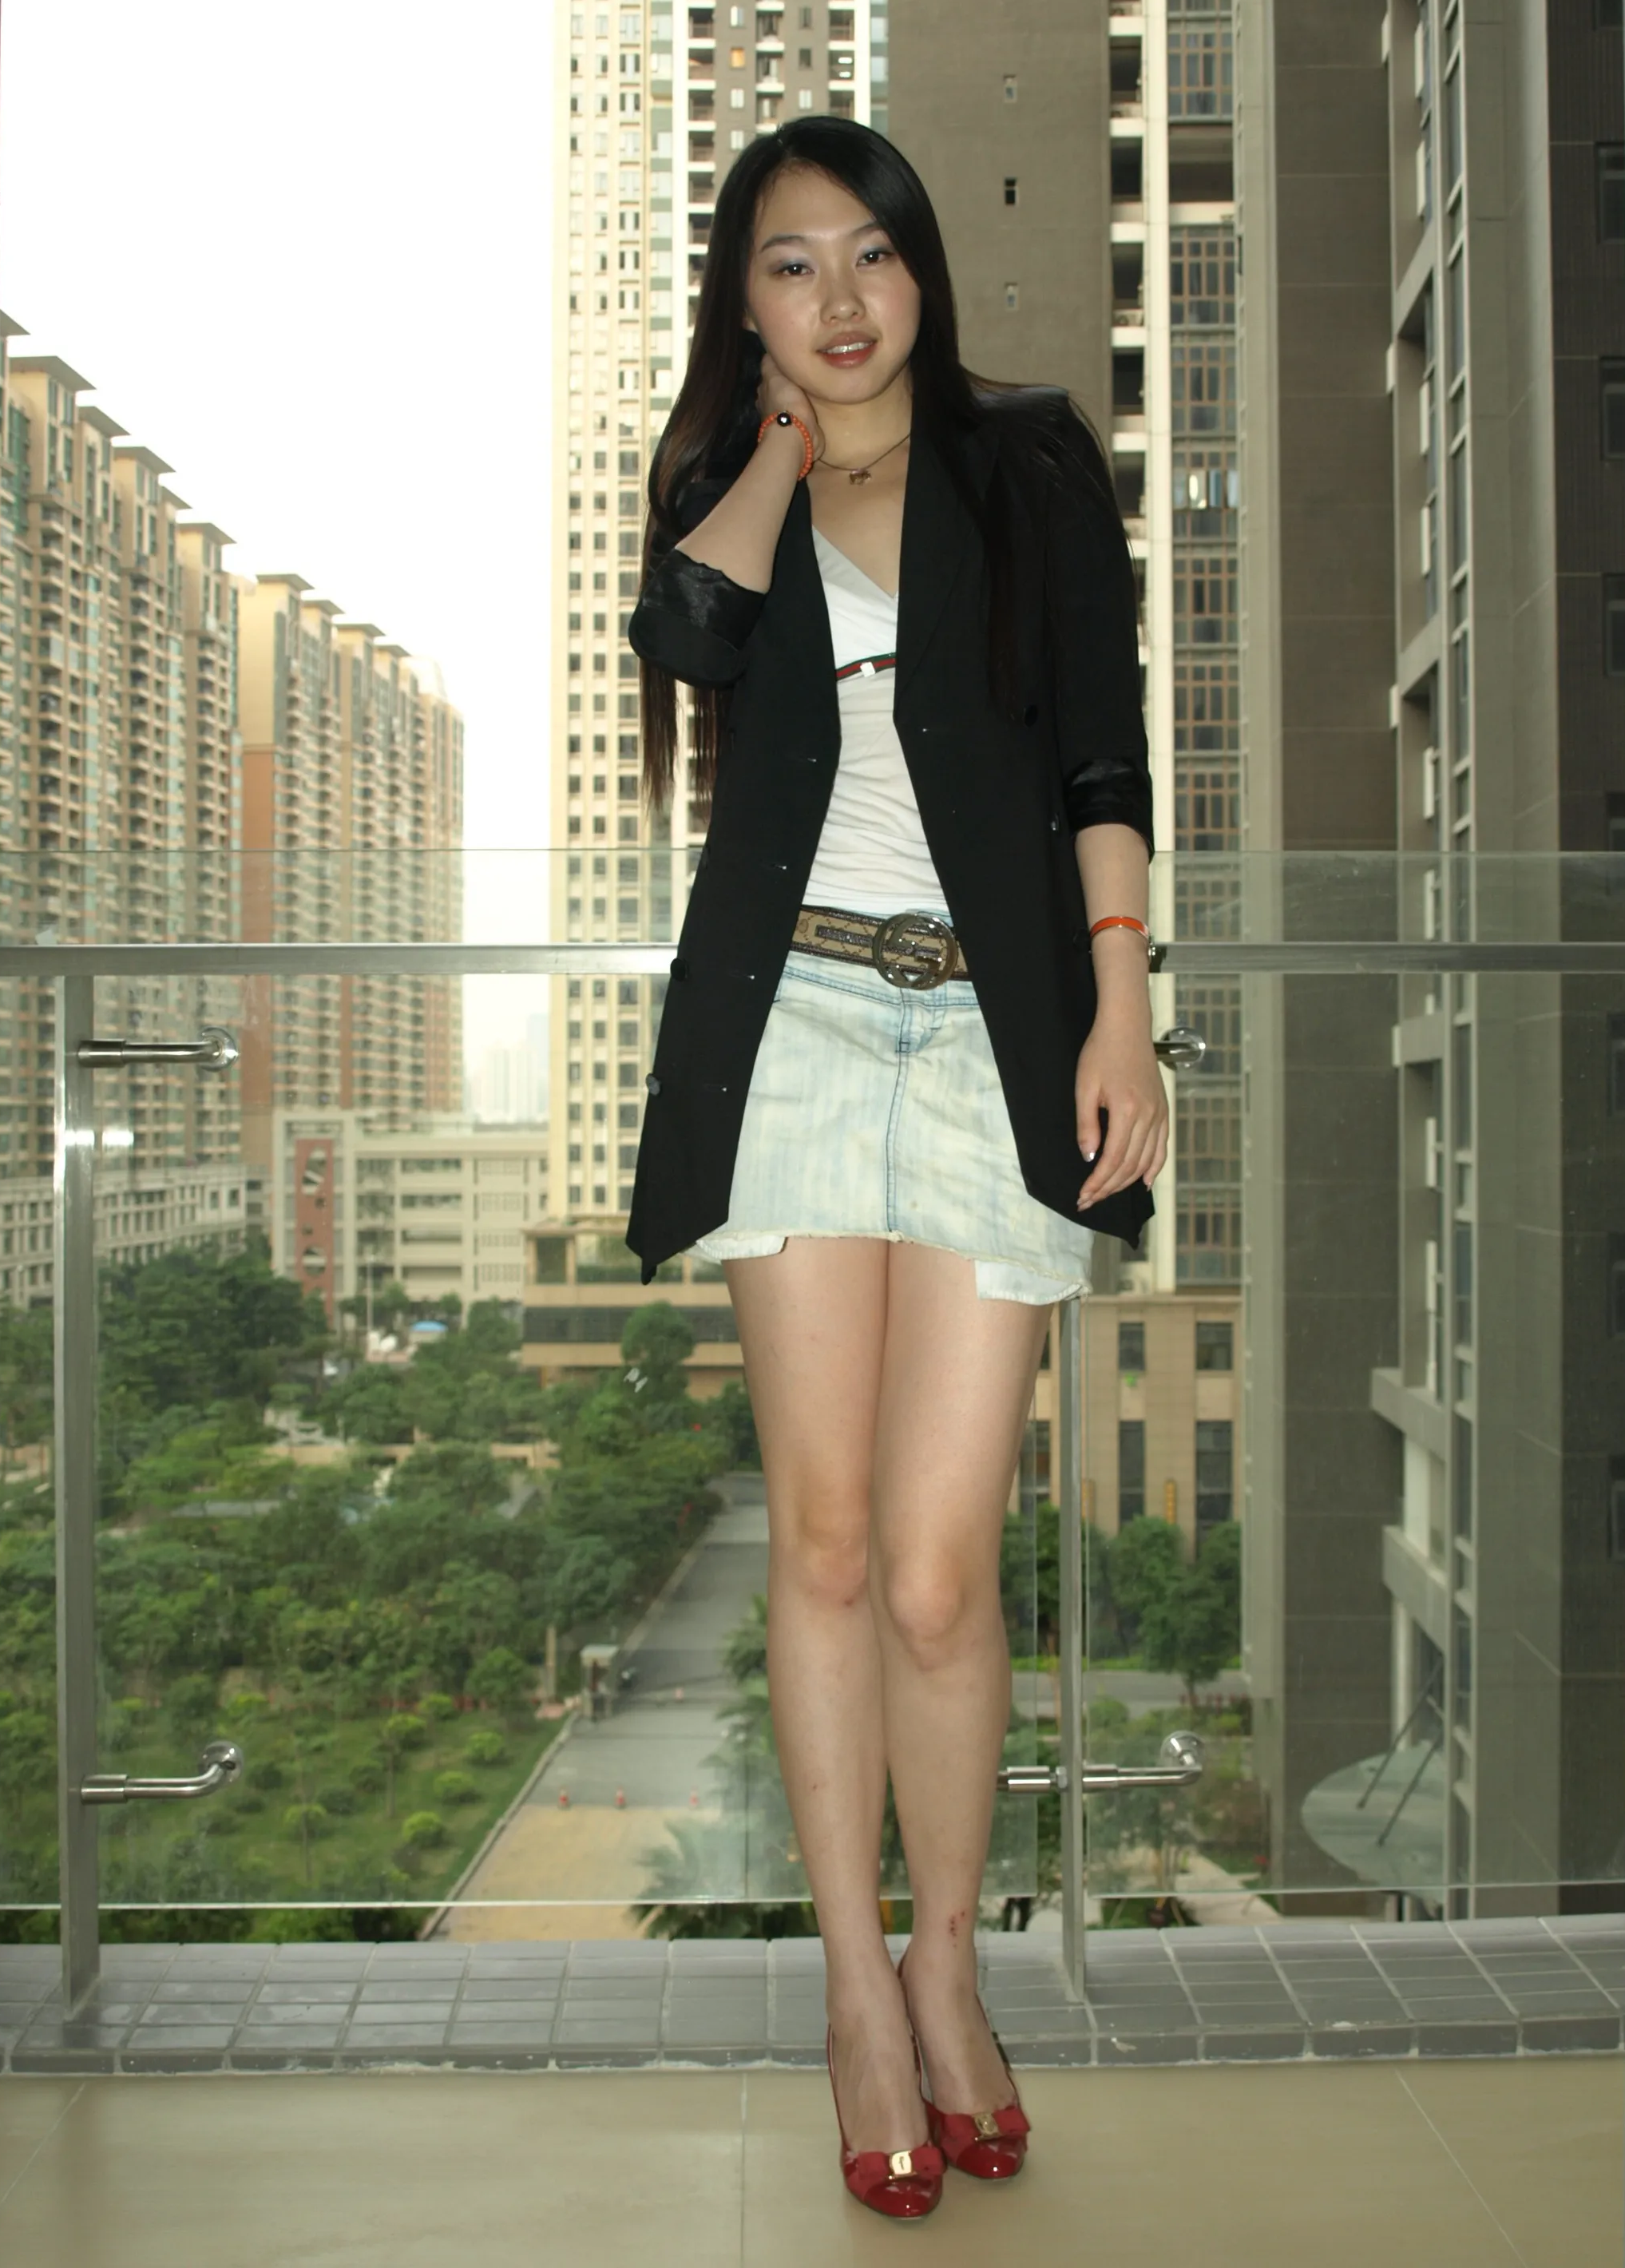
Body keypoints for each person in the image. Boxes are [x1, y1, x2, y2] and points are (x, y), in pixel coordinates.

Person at [628, 117, 1166, 2220]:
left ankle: (952, 1967)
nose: (842, 298)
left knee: (942, 1569)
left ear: (924, 268)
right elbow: (684, 638)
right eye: (791, 265)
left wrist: (1120, 1008)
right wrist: (776, 448)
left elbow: (1102, 748)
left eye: (872, 254)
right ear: (745, 302)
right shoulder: (726, 489)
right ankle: (857, 1993)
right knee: (831, 1543)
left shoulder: (1026, 466)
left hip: (992, 1037)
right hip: (795, 1031)